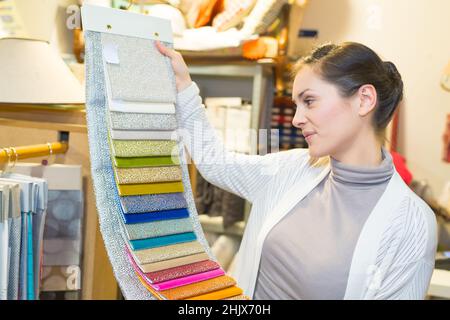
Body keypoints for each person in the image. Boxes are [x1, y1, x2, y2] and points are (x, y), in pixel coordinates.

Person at [156, 41, 438, 300]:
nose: (297, 120)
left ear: (364, 100)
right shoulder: (292, 169)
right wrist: (184, 86)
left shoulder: (411, 224)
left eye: (310, 101)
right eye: (296, 105)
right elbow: (216, 163)